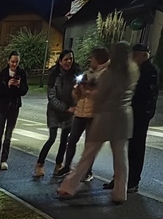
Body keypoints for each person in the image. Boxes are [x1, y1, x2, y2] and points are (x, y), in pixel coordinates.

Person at [57, 40, 138, 204]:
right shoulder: (132, 71)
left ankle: (69, 186)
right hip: (124, 117)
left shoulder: (110, 73)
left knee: (88, 153)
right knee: (121, 157)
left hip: (106, 116)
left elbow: (101, 97)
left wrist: (88, 92)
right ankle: (120, 193)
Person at [102, 42, 160, 194]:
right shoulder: (133, 69)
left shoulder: (150, 71)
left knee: (136, 149)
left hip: (140, 116)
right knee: (123, 149)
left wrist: (146, 114)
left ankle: (133, 181)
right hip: (128, 114)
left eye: (134, 55)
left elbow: (147, 95)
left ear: (143, 55)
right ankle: (119, 180)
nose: (132, 59)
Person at [54, 46, 110, 182]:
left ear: (98, 59)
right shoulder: (86, 73)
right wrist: (78, 89)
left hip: (94, 115)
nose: (90, 60)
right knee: (71, 140)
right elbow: (76, 95)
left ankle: (87, 171)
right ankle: (67, 166)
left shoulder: (107, 75)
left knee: (89, 145)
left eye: (93, 58)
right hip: (80, 113)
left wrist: (91, 90)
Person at [33, 49, 79, 178]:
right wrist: (65, 108)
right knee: (52, 138)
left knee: (64, 140)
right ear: (60, 62)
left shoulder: (75, 75)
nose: (69, 62)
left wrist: (75, 103)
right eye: (66, 59)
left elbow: (79, 92)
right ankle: (39, 164)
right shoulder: (55, 77)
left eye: (71, 59)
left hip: (69, 113)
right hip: (55, 112)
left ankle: (59, 165)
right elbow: (52, 97)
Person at [0, 51, 29, 170]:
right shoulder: (2, 74)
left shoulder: (22, 73)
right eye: (12, 61)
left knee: (8, 135)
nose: (14, 64)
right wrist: (7, 85)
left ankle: (4, 160)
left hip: (14, 108)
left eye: (16, 62)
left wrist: (19, 86)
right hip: (2, 108)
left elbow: (24, 90)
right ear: (8, 61)